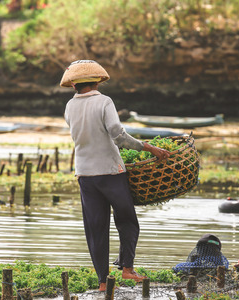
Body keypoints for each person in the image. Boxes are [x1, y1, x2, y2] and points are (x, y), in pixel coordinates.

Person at [61, 60, 171, 292]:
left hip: (85, 174)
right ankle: (128, 270)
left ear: (74, 86)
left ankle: (103, 282)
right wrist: (149, 148)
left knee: (95, 227)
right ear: (98, 81)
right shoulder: (104, 101)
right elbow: (118, 136)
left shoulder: (70, 106)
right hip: (110, 172)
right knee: (127, 220)